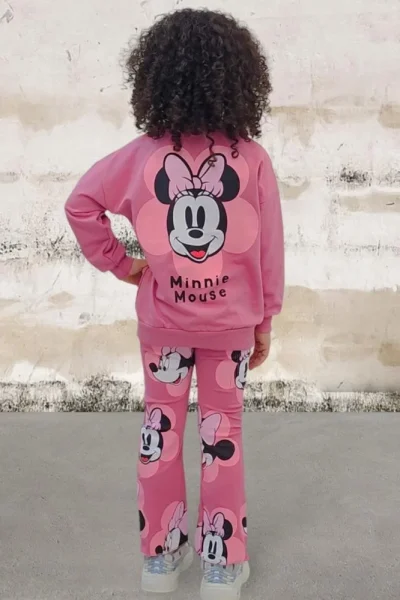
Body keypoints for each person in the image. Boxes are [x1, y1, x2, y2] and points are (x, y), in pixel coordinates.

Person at [65, 8, 284, 600]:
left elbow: (81, 204)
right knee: (223, 434)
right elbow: (269, 251)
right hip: (231, 327)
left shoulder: (141, 157)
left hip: (163, 324)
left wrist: (122, 264)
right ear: (239, 78)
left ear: (156, 76)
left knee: (159, 431)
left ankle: (159, 560)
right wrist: (265, 320)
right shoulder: (252, 159)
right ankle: (221, 565)